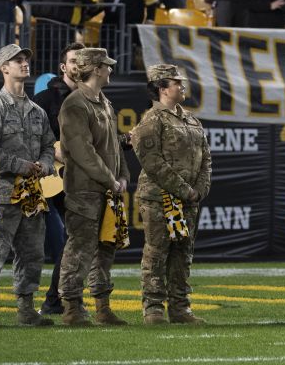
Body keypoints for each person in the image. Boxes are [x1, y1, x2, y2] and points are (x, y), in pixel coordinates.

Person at [0, 45, 57, 327]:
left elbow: (48, 146)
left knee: (32, 252)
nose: (24, 63)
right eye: (17, 60)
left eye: (26, 59)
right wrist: (23, 166)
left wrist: (44, 164)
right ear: (3, 68)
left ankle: (26, 308)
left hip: (32, 193)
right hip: (3, 193)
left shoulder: (37, 111)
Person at [133, 64, 212, 325]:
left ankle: (180, 308)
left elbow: (206, 158)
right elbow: (152, 162)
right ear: (161, 89)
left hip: (188, 199)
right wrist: (184, 189)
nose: (182, 86)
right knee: (157, 252)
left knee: (183, 253)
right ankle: (153, 308)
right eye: (176, 82)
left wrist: (200, 189)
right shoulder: (152, 120)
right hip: (159, 198)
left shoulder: (191, 119)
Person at [57, 47, 130, 326]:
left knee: (105, 248)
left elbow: (115, 145)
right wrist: (110, 179)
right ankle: (72, 307)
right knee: (80, 248)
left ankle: (102, 307)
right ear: (96, 69)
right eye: (107, 66)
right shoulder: (75, 104)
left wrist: (122, 175)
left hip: (108, 189)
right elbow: (81, 151)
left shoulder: (104, 101)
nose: (111, 70)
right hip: (85, 189)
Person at [33, 42, 84, 316]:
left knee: (74, 241)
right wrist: (51, 149)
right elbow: (29, 137)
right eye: (73, 60)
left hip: (75, 181)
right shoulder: (44, 100)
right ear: (63, 66)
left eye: (82, 60)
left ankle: (56, 300)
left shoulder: (92, 99)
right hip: (47, 181)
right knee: (35, 244)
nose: (78, 65)